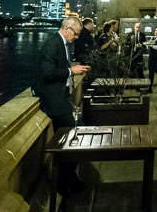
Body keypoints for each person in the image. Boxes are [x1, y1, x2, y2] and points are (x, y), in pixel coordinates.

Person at [32, 16, 90, 194]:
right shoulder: (53, 43)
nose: (77, 37)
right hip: (54, 100)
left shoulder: (61, 43)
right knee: (76, 134)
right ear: (67, 29)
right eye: (76, 34)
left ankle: (68, 179)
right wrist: (70, 70)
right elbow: (47, 73)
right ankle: (65, 182)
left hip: (60, 98)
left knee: (72, 138)